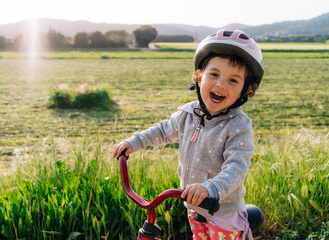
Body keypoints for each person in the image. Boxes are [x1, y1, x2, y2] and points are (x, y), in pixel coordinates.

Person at [112, 29, 264, 240]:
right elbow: (163, 131)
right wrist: (134, 142)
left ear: (245, 91)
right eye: (214, 74)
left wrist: (210, 188)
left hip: (222, 210)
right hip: (193, 205)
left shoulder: (238, 125)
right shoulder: (188, 114)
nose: (220, 84)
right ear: (198, 77)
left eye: (233, 81)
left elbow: (236, 168)